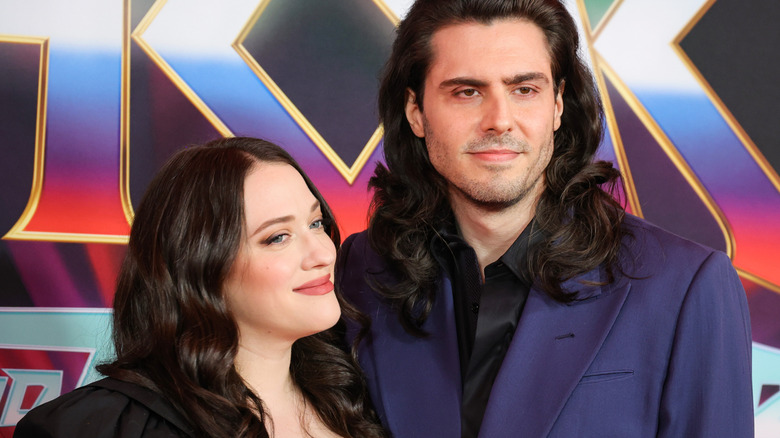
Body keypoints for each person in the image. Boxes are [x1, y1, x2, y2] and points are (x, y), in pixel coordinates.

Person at [335, 0, 754, 437]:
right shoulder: (361, 269)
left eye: (524, 90)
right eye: (467, 92)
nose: (499, 120)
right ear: (416, 112)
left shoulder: (685, 285)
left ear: (557, 104)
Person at [15, 137, 387, 438]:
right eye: (277, 237)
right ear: (201, 268)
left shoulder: (366, 396)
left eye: (317, 223)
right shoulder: (97, 427)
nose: (321, 254)